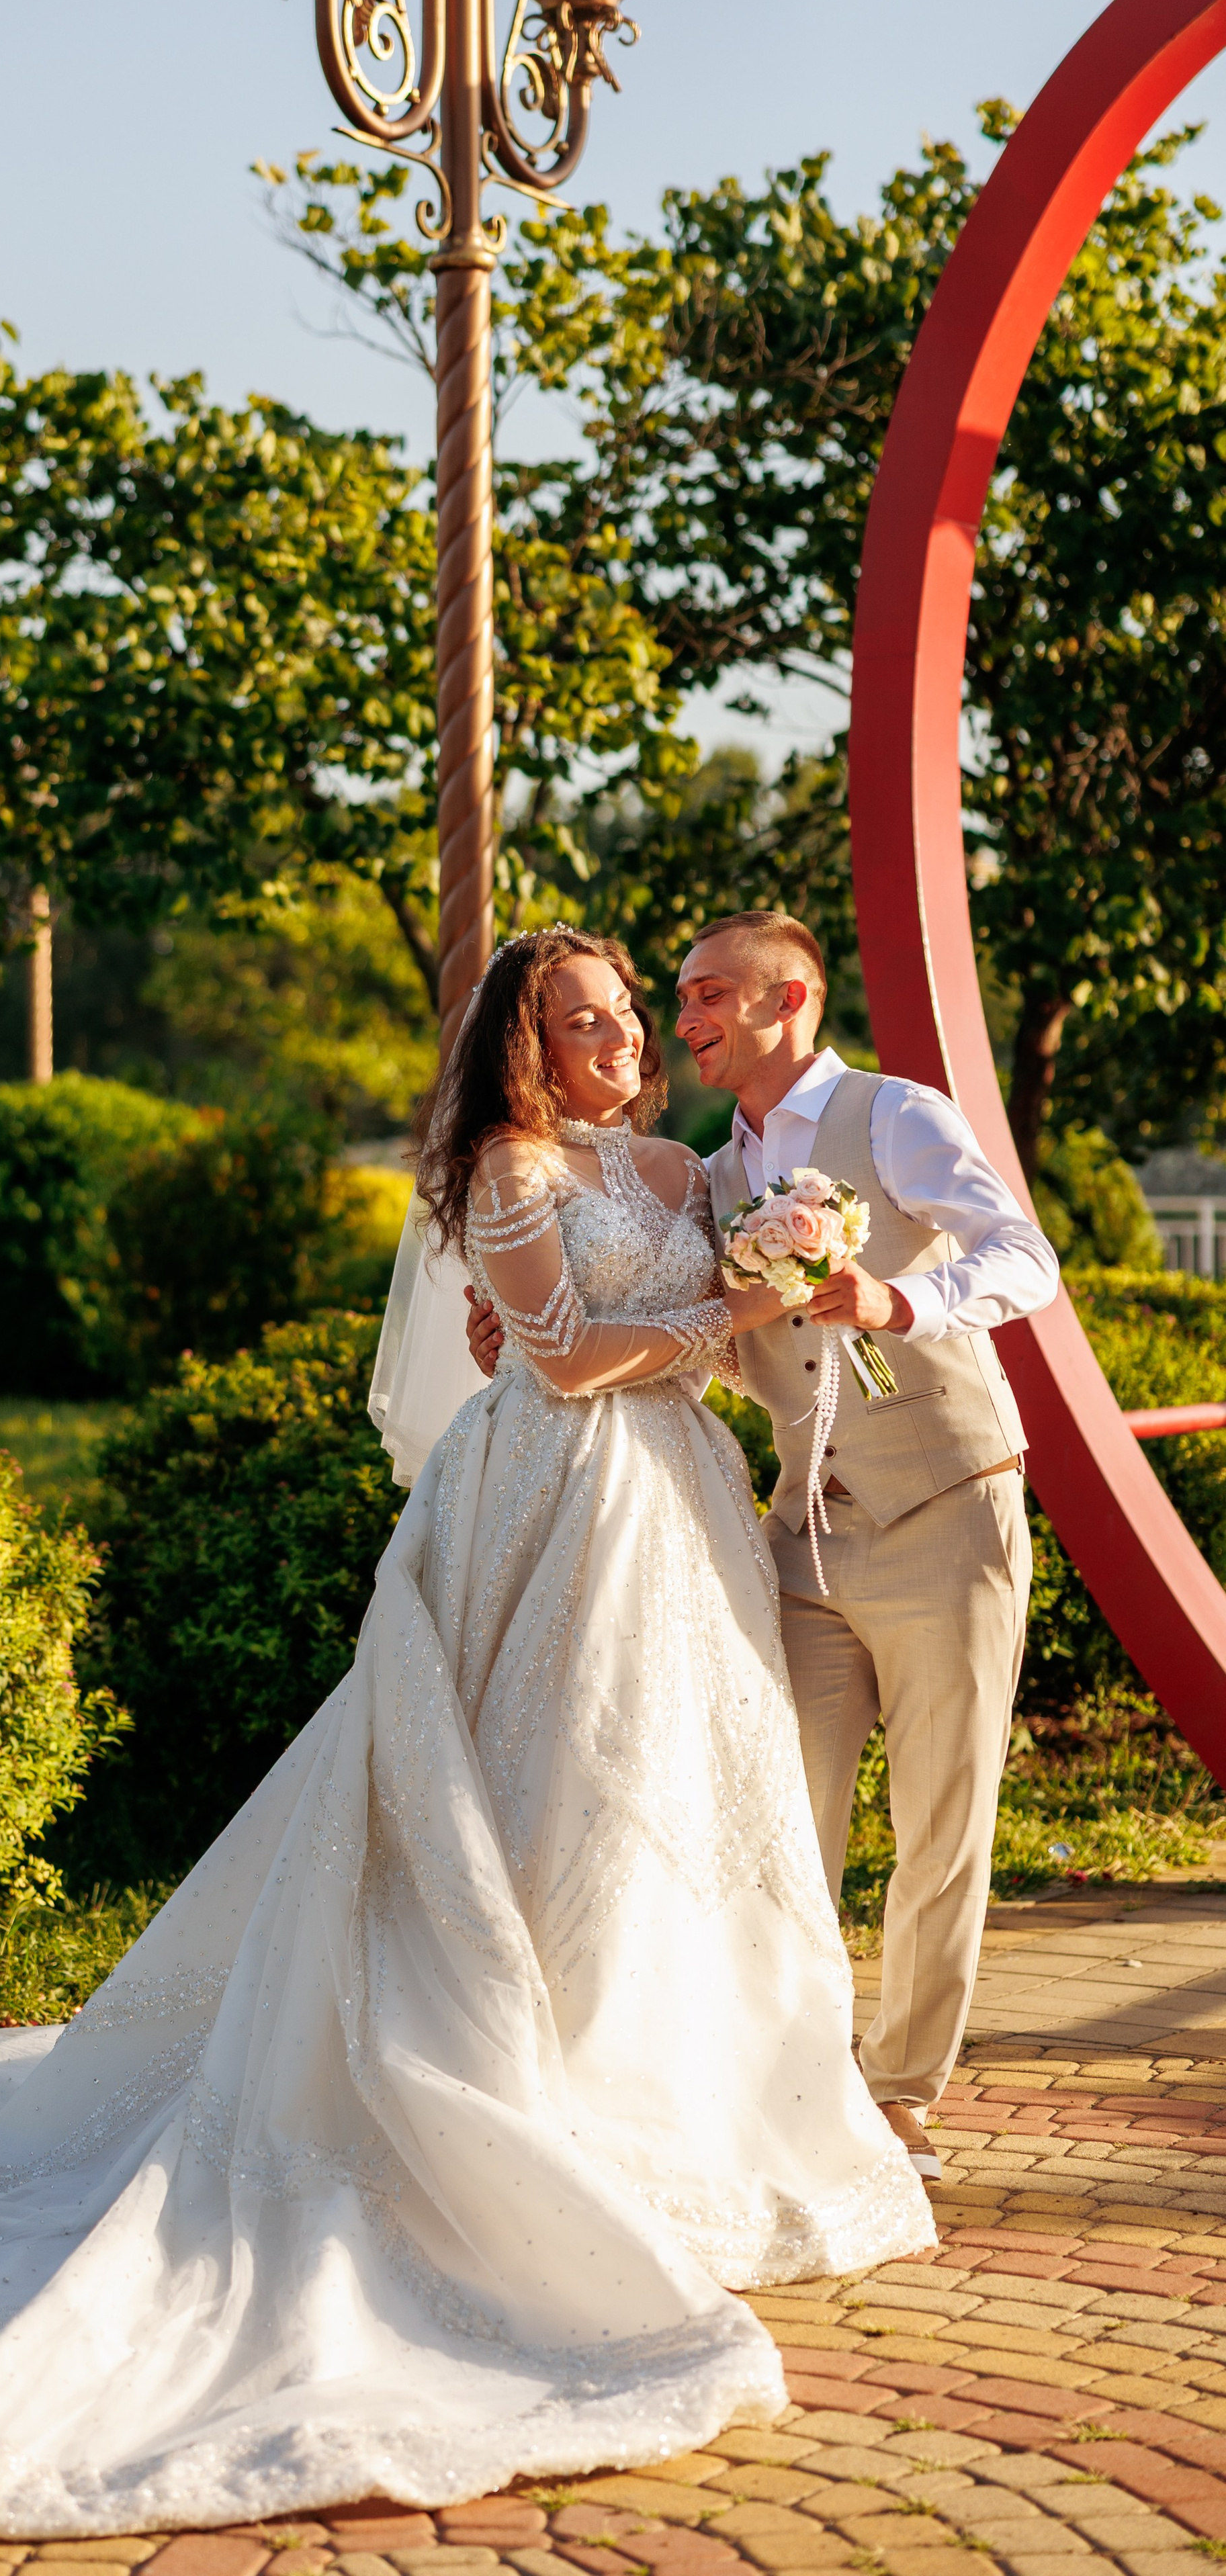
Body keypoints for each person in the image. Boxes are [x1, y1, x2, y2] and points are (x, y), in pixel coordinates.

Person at [0, 927, 932, 2538]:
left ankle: (704, 2102)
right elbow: (555, 1360)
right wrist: (710, 1332)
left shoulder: (681, 1170)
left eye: (629, 1018)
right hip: (551, 1519)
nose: (628, 1043)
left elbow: (700, 1339)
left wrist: (766, 1285)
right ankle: (544, 2107)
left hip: (682, 1518)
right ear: (529, 1047)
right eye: (592, 1022)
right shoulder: (506, 1171)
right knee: (556, 1803)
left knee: (681, 1806)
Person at [468, 913, 1059, 2181]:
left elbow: (1026, 1257)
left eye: (702, 995)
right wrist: (520, 1322)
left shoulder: (896, 1116)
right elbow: (724, 1340)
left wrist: (907, 1300)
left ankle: (898, 2095)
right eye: (666, 999)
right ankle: (788, 2084)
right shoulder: (704, 1172)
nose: (673, 1020)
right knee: (779, 1822)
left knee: (942, 1825)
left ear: (788, 999)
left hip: (949, 1504)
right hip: (798, 1531)